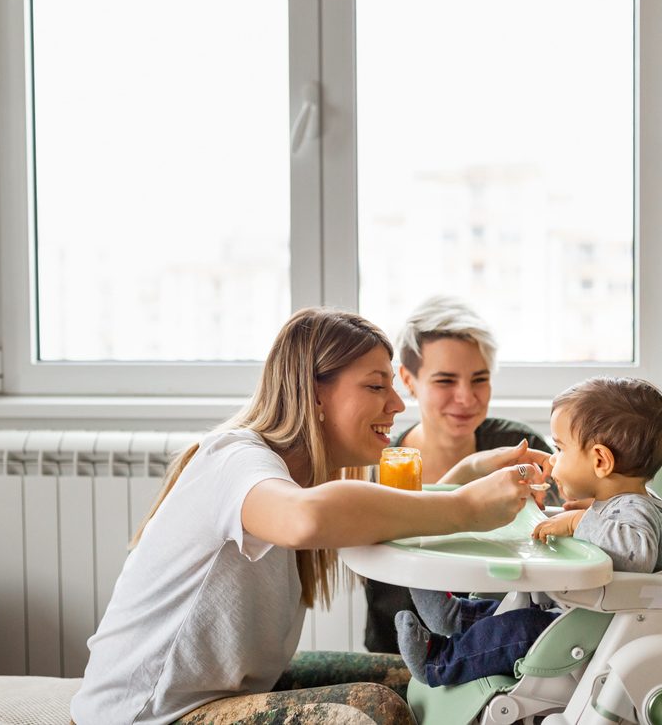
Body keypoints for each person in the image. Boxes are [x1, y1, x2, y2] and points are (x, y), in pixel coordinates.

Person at [69, 307, 550, 725]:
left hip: (226, 695)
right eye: (375, 385)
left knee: (425, 675)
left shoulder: (304, 478)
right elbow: (304, 520)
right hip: (148, 715)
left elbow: (385, 515)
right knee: (373, 711)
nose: (397, 404)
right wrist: (464, 507)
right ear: (315, 394)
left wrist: (466, 476)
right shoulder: (236, 458)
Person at [395, 376, 662, 687]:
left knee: (520, 629)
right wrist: (576, 519)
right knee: (512, 612)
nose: (553, 458)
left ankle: (440, 662)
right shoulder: (614, 506)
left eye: (560, 448)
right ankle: (453, 616)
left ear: (600, 460)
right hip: (576, 616)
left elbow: (636, 554)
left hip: (597, 633)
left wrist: (577, 524)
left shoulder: (635, 507)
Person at [364, 295, 554, 653]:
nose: (466, 398)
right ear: (408, 379)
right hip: (405, 656)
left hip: (511, 651)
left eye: (479, 379)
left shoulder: (517, 446)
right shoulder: (383, 465)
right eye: (446, 381)